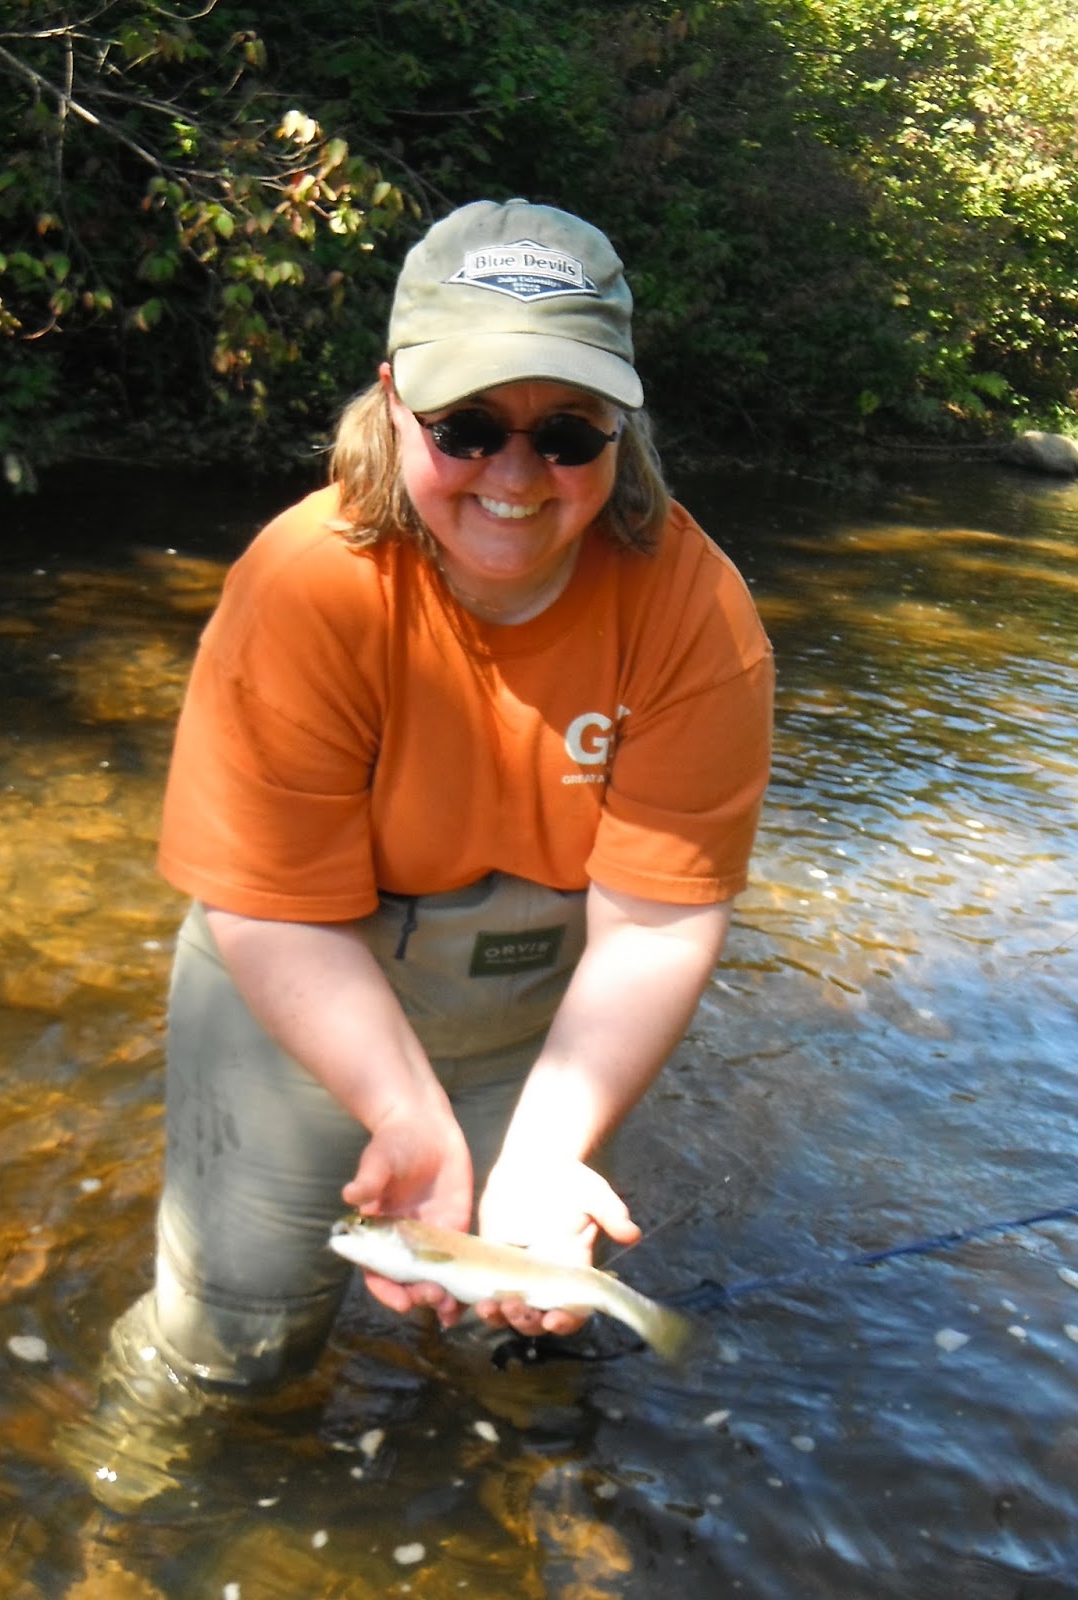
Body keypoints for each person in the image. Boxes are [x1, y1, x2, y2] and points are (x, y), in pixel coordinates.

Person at [145, 197, 773, 1389]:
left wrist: (548, 1147)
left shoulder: (696, 613)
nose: (516, 475)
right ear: (394, 402)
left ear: (623, 429)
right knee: (229, 1346)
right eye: (468, 426)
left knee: (531, 1333)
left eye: (568, 433)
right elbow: (271, 904)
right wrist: (404, 1110)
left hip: (544, 1012)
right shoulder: (305, 588)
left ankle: (533, 1481)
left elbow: (657, 919)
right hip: (298, 973)